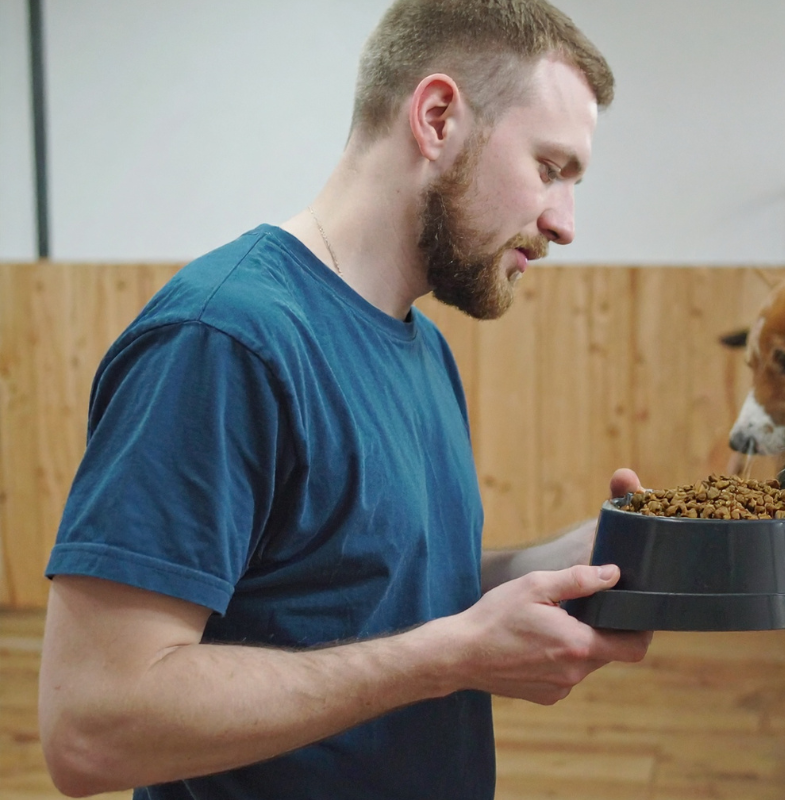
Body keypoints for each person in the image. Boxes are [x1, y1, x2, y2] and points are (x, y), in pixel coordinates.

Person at [37, 1, 651, 797]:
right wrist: (449, 658)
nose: (564, 223)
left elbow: (368, 588)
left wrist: (566, 566)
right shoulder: (223, 338)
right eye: (550, 168)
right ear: (437, 119)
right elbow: (92, 728)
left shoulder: (421, 342)